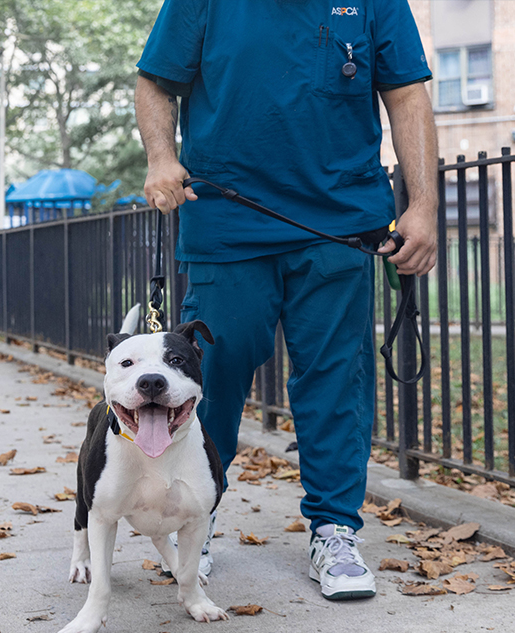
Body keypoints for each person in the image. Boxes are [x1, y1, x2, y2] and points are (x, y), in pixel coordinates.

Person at [136, 0, 438, 600]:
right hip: (228, 221)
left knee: (335, 380)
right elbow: (155, 80)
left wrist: (424, 205)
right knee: (208, 378)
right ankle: (196, 522)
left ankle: (334, 531)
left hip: (341, 225)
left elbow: (406, 94)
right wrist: (161, 157)